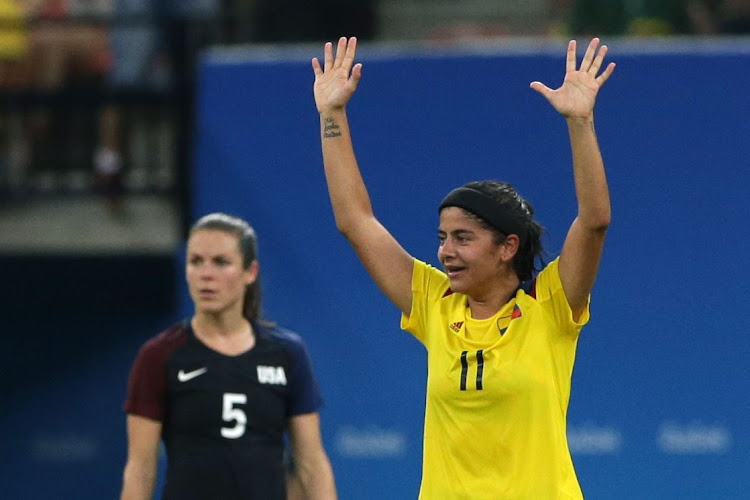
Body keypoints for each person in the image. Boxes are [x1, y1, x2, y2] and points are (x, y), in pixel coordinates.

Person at [312, 37, 615, 498]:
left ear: (507, 247)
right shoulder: (436, 304)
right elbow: (355, 221)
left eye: (462, 238)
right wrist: (331, 115)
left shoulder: (550, 305)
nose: (445, 252)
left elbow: (594, 222)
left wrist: (580, 122)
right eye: (441, 238)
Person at [120, 212, 337, 500]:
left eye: (221, 262)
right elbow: (141, 469)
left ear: (250, 272)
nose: (206, 274)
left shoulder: (287, 353)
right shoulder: (159, 355)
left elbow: (312, 464)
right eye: (196, 261)